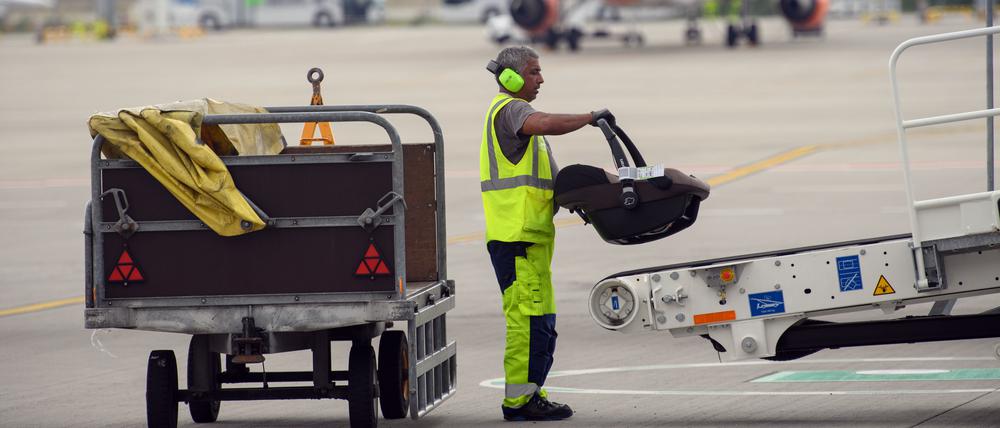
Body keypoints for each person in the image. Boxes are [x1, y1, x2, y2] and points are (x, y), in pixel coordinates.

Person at [479, 45, 614, 422]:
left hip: (532, 241)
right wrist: (590, 117)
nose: (541, 79)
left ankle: (532, 393)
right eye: (534, 72)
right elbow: (545, 121)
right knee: (526, 323)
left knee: (542, 324)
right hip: (516, 239)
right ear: (511, 77)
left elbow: (551, 184)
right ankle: (519, 402)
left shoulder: (521, 123)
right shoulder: (512, 110)